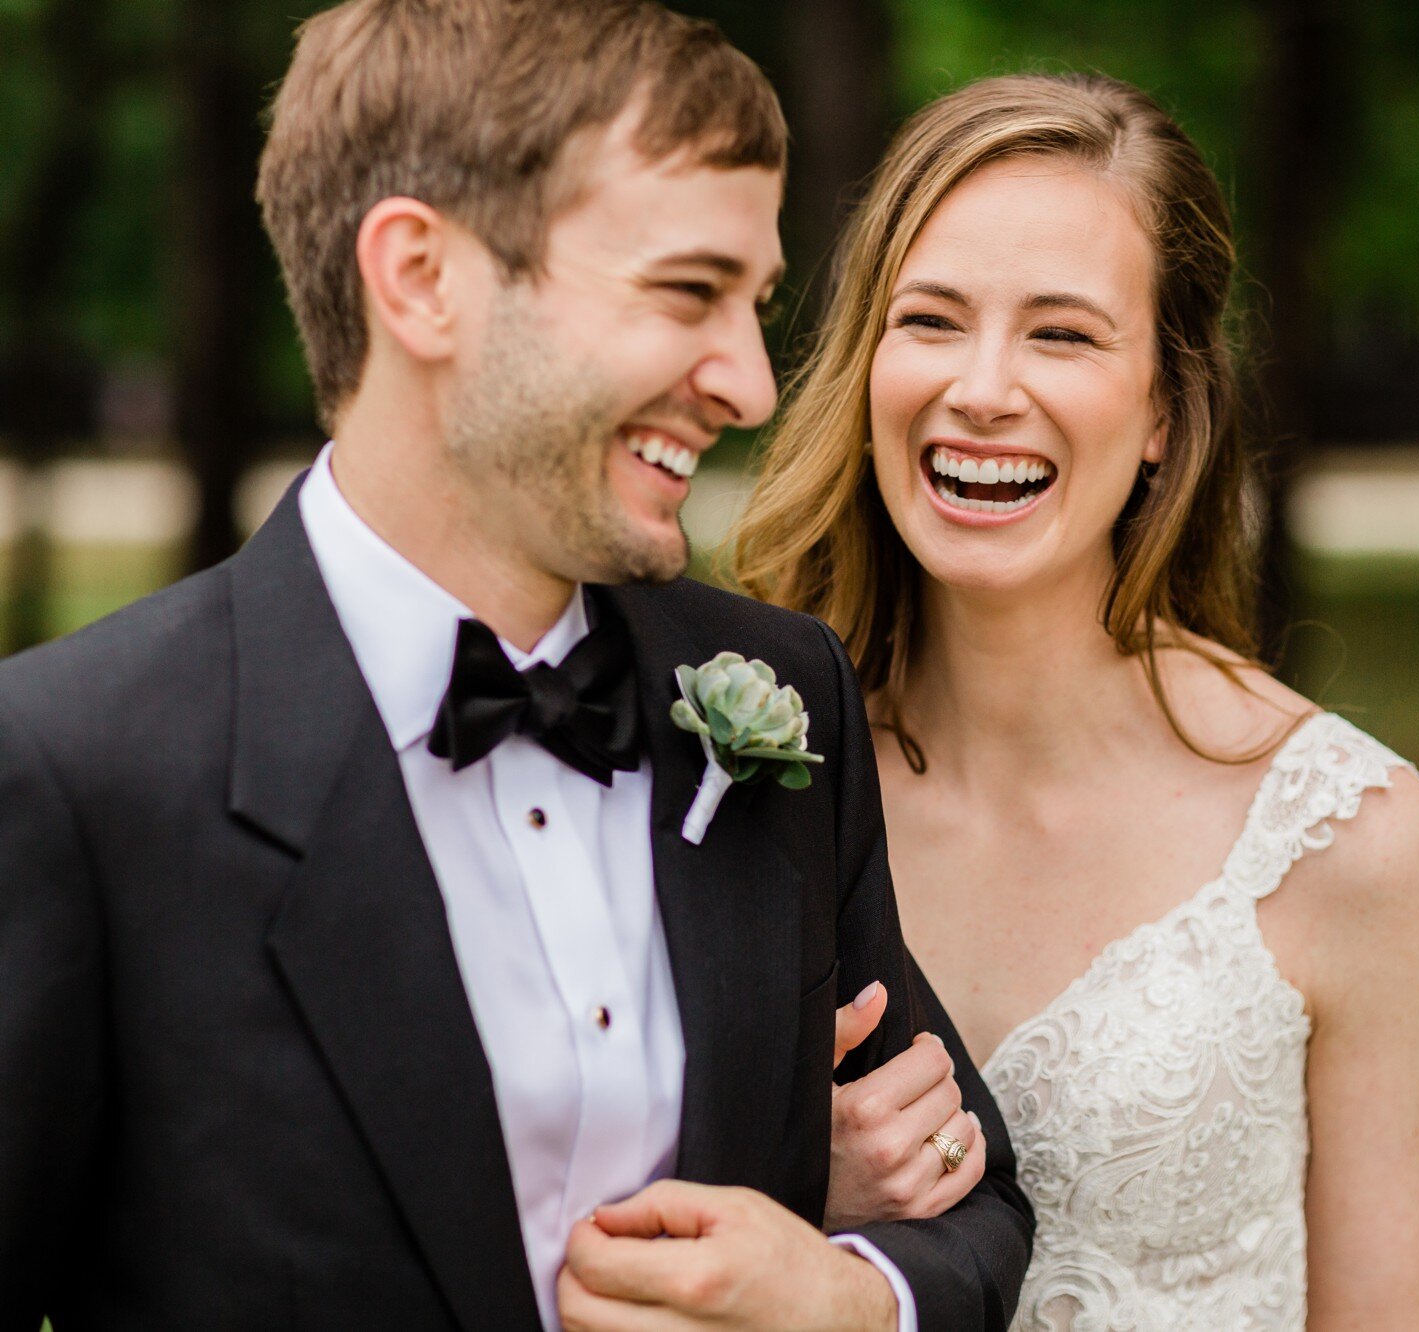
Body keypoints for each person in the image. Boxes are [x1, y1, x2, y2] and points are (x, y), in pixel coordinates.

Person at [0, 5, 1030, 1330]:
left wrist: (847, 1296)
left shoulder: (777, 694)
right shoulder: (76, 771)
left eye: (753, 304)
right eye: (686, 291)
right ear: (422, 278)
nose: (747, 384)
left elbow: (982, 1197)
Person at [733, 72, 1419, 1330]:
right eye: (931, 320)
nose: (982, 388)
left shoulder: (1350, 841)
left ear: (1166, 412)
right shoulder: (735, 786)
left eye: (1061, 334)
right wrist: (803, 1200)